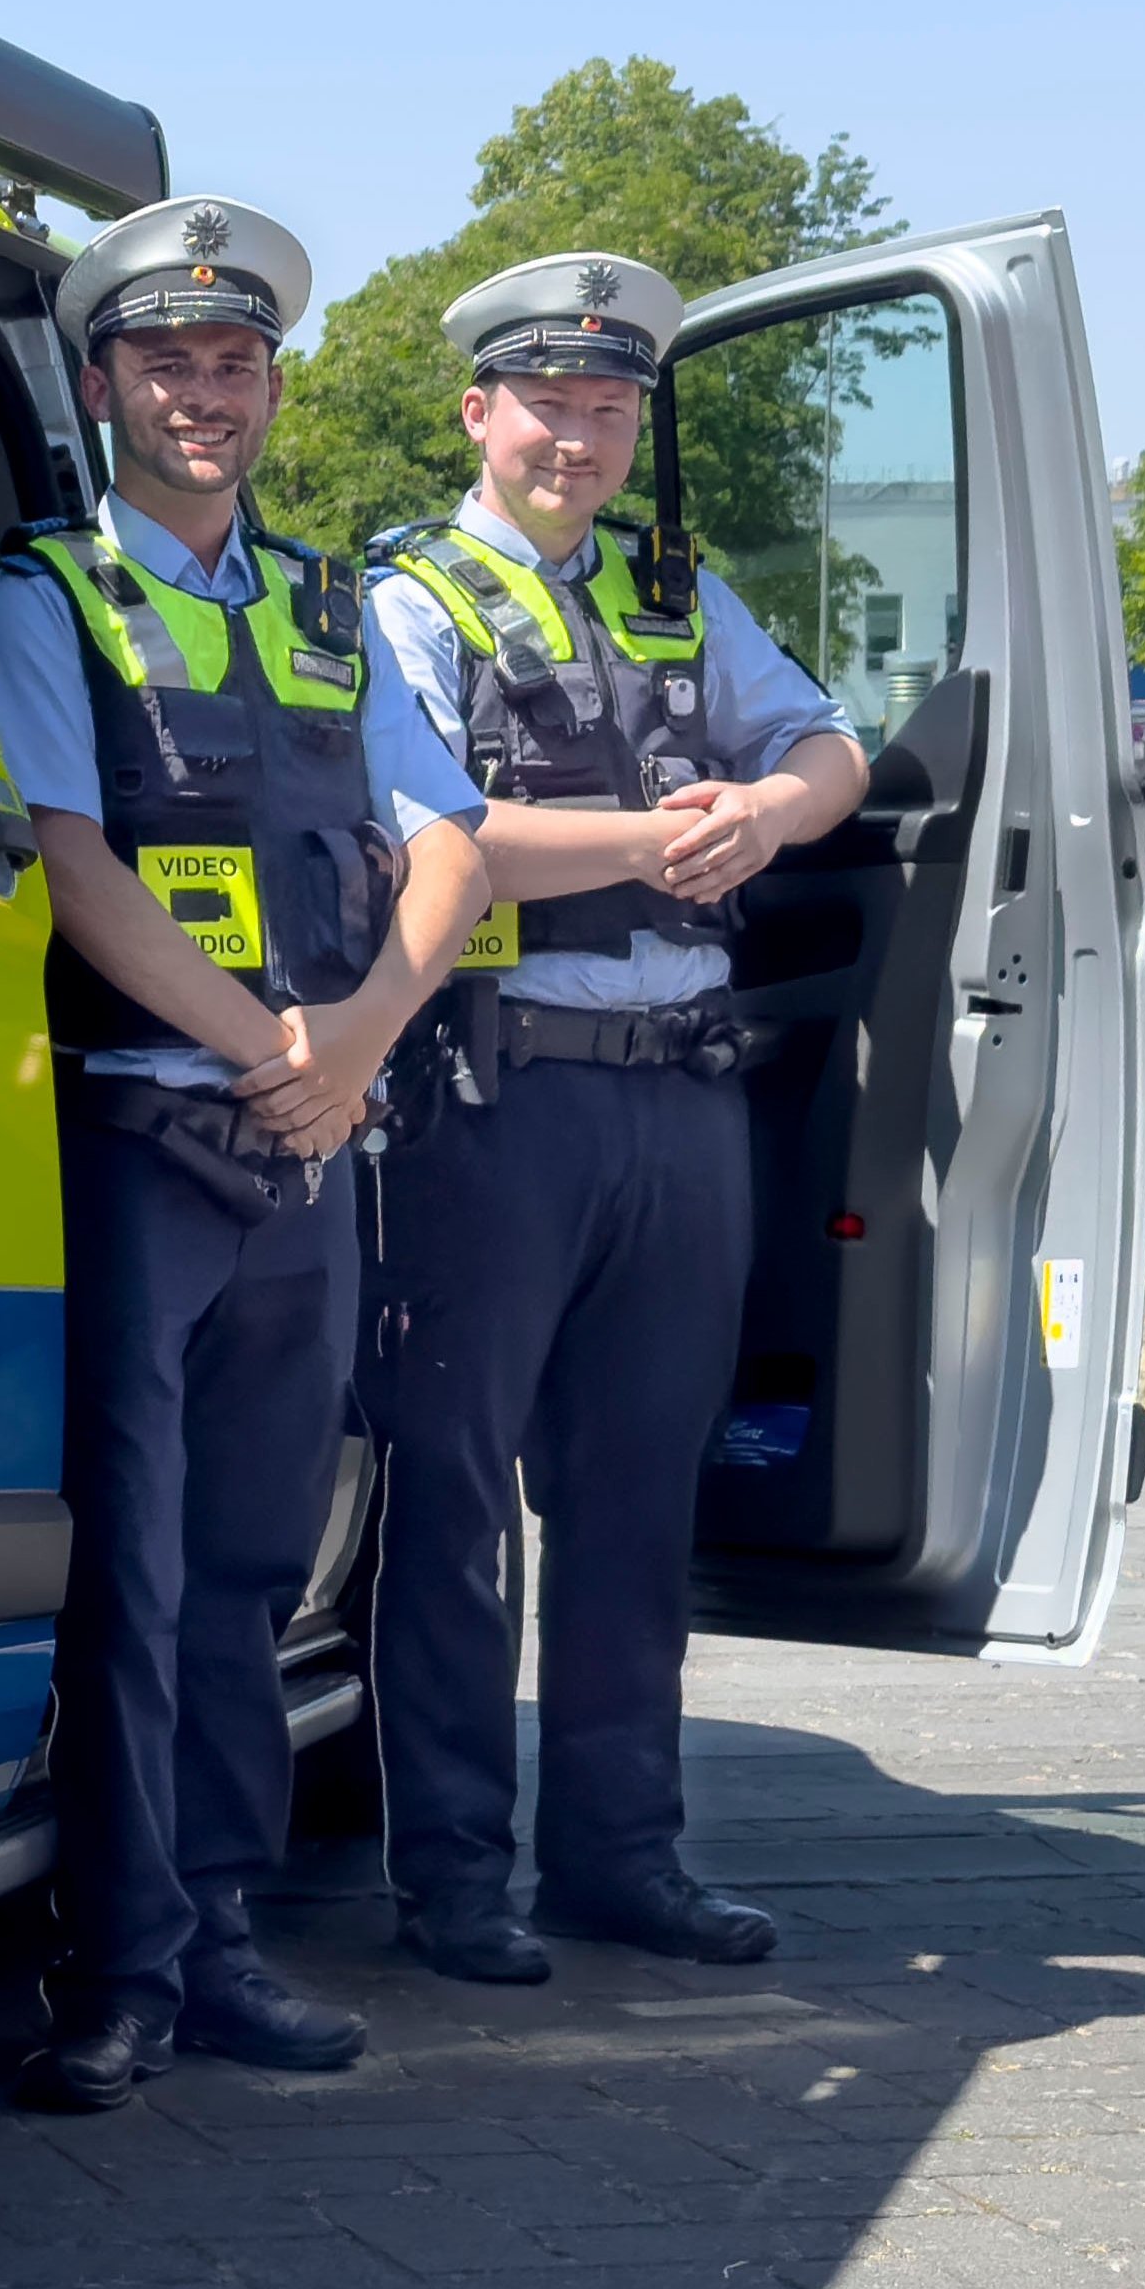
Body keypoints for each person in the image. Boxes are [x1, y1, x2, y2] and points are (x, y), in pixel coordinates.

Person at [0, 196, 491, 2114]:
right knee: (128, 1574)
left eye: (233, 362)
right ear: (100, 382)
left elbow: (447, 845)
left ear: (273, 385)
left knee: (249, 1572)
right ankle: (113, 1974)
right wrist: (273, 1045)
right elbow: (68, 861)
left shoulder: (334, 608)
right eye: (165, 362)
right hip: (142, 1139)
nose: (202, 393)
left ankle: (217, 1941)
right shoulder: (47, 596)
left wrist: (355, 1041)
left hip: (306, 1149)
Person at [354, 253, 872, 1986]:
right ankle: (450, 1876)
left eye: (605, 408)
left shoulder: (674, 588)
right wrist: (671, 835)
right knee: (452, 1504)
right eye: (545, 406)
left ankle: (618, 1857)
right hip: (494, 1097)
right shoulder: (405, 599)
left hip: (680, 1097)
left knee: (638, 1500)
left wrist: (771, 812)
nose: (574, 438)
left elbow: (830, 747)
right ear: (474, 413)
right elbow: (444, 829)